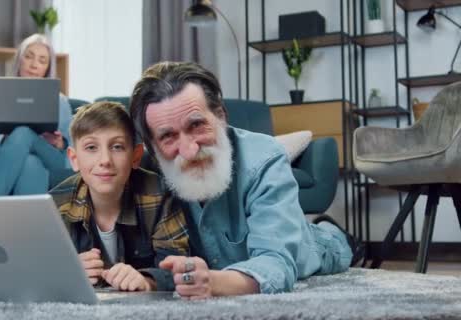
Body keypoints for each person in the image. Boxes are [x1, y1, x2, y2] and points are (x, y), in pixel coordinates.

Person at [129, 61, 362, 299]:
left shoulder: (265, 157)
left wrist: (212, 281)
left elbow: (277, 262)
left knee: (336, 246)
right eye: (167, 136)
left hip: (312, 247)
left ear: (220, 116)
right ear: (152, 147)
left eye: (197, 124)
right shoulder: (147, 174)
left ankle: (336, 233)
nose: (189, 151)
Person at [49, 101, 189, 292]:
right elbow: (34, 272)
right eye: (91, 148)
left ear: (136, 156)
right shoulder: (54, 206)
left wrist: (148, 281)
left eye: (117, 147)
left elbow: (179, 266)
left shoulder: (160, 194)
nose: (105, 160)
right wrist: (66, 274)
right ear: (74, 159)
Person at [0, 33, 73, 196]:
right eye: (29, 57)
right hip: (6, 158)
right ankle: (32, 221)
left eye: (42, 61)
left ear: (47, 69)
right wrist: (7, 139)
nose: (34, 65)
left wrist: (59, 143)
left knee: (22, 132)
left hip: (49, 156)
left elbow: (70, 153)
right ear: (19, 59)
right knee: (30, 161)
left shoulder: (60, 101)